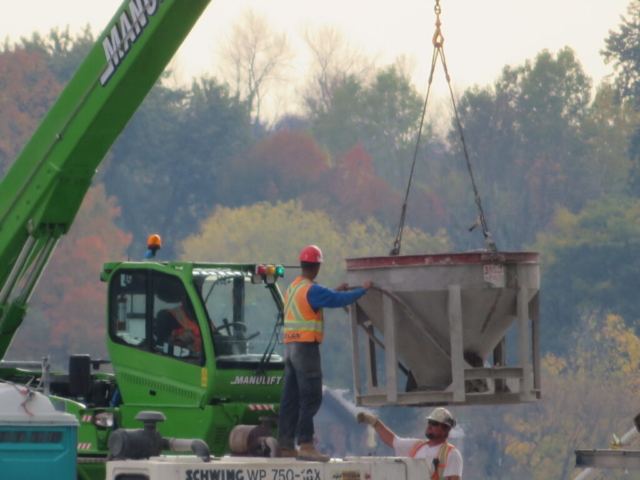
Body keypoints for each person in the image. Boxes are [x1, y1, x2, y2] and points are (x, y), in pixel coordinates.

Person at [278, 245, 373, 462]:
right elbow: (336, 300)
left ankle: (285, 444)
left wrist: (334, 291)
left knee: (290, 398)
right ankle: (306, 445)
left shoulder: (293, 288)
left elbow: (320, 298)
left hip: (289, 348)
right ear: (318, 266)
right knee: (311, 397)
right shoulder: (312, 290)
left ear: (302, 264)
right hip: (305, 348)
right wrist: (363, 289)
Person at [357, 407, 463, 480]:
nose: (429, 426)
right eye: (429, 422)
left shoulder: (451, 454)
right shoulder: (417, 446)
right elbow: (392, 441)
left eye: (434, 423)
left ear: (445, 430)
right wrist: (374, 422)